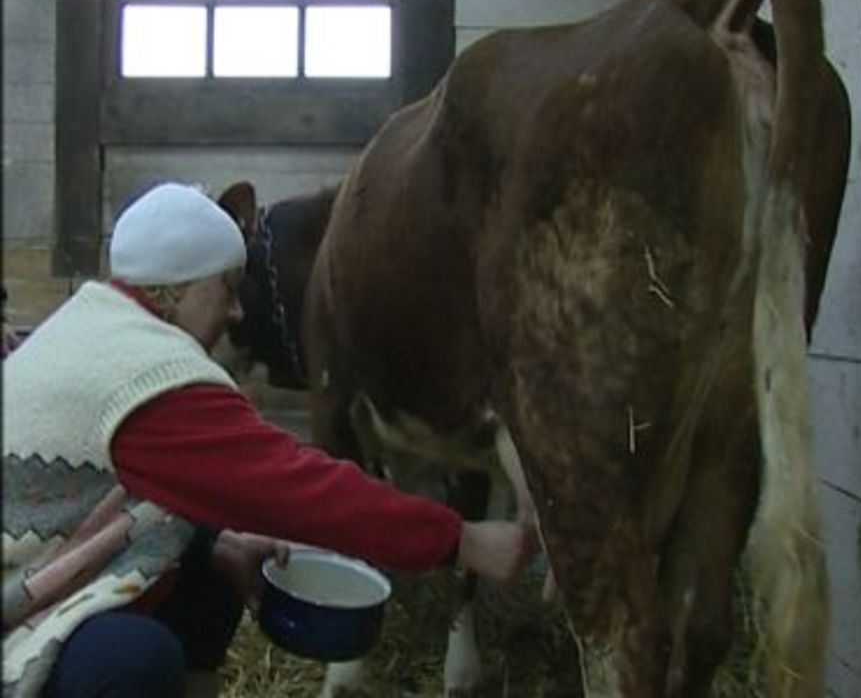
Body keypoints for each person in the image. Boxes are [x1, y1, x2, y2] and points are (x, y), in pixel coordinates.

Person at [3, 183, 535, 698]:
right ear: (180, 287)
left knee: (216, 568)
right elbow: (300, 488)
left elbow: (118, 493)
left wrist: (212, 544)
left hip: (40, 566)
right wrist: (461, 540)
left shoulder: (92, 321)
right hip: (16, 610)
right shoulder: (151, 375)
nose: (237, 313)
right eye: (229, 288)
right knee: (134, 660)